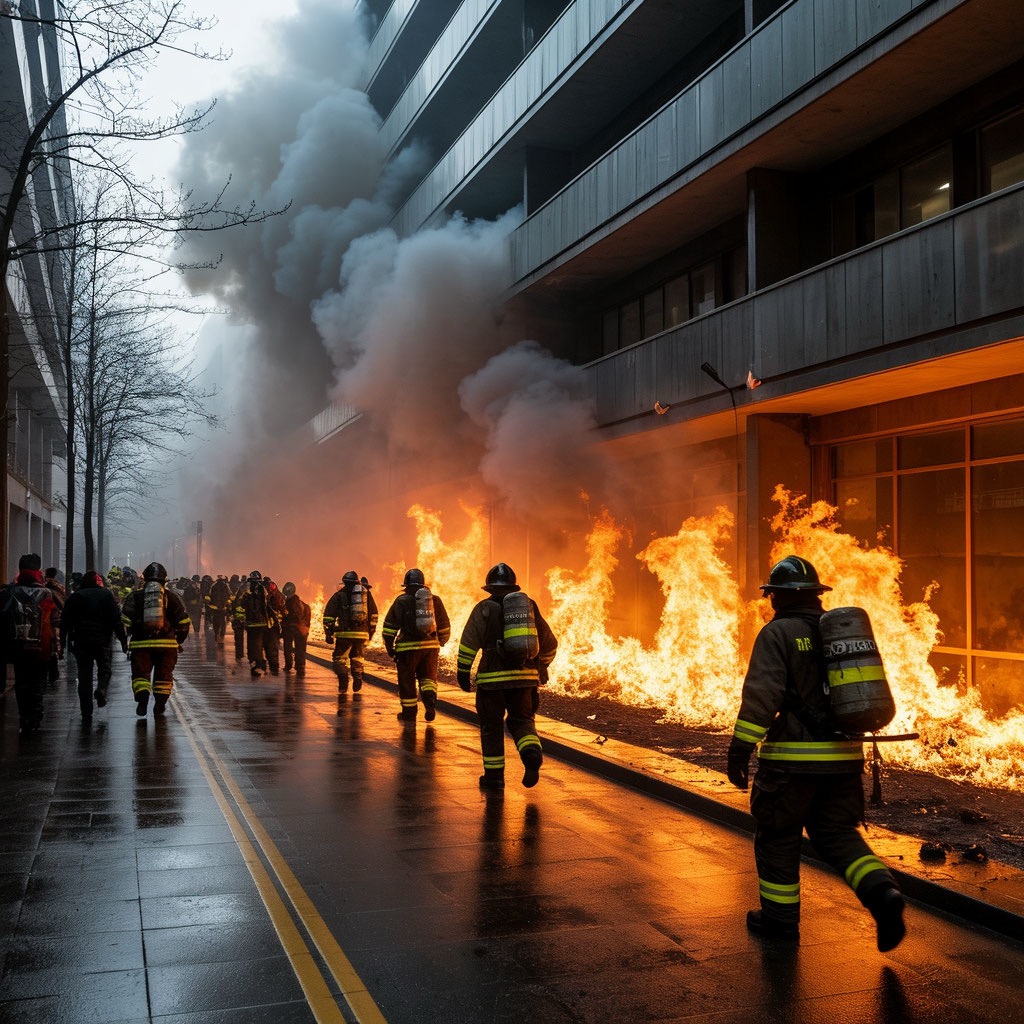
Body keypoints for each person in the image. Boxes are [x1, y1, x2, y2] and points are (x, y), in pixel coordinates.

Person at [726, 555, 906, 951]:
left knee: (778, 836)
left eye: (772, 593)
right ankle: (882, 893)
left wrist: (740, 749)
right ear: (815, 596)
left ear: (778, 597)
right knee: (837, 834)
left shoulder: (778, 634)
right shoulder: (838, 636)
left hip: (791, 764)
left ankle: (779, 921)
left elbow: (762, 695)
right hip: (844, 759)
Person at [456, 562, 557, 791]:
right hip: (524, 681)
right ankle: (531, 753)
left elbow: (469, 642)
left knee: (491, 726)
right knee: (522, 721)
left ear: (490, 588)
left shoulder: (484, 608)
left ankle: (494, 778)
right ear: (513, 586)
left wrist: (463, 671)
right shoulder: (529, 608)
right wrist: (541, 666)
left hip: (492, 683)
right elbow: (550, 643)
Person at [120, 562, 191, 717]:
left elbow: (124, 620)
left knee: (141, 675)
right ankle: (160, 704)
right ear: (164, 580)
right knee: (164, 676)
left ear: (144, 578)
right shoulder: (172, 597)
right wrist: (178, 640)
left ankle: (142, 699)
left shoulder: (135, 596)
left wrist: (125, 640)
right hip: (167, 645)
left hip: (140, 644)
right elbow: (184, 622)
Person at [1, 554, 61, 734]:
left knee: (21, 682)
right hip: (41, 646)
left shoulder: (9, 592)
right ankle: (35, 715)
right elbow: (57, 618)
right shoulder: (47, 594)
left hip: (18, 646)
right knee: (37, 682)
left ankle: (24, 718)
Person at [382, 568, 452, 723]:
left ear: (406, 584)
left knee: (407, 680)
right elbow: (444, 624)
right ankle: (430, 703)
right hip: (430, 648)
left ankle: (409, 713)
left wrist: (389, 645)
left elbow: (390, 626)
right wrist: (441, 641)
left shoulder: (401, 601)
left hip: (407, 649)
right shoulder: (435, 600)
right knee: (428, 678)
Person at [59, 570, 128, 722]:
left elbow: (65, 621)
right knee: (105, 669)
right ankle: (101, 689)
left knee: (84, 677)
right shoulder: (106, 595)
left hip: (81, 641)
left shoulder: (75, 596)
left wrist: (62, 643)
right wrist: (123, 641)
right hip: (102, 640)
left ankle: (86, 712)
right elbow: (116, 620)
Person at [322, 571, 378, 693]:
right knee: (357, 658)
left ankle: (343, 680)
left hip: (344, 634)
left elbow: (329, 616)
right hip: (362, 634)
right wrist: (370, 632)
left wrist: (328, 633)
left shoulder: (339, 595)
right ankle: (357, 676)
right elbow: (374, 614)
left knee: (339, 659)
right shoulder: (366, 595)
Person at [280, 582, 311, 676]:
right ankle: (300, 667)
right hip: (301, 630)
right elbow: (307, 618)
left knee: (288, 647)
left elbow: (286, 617)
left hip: (290, 629)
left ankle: (289, 665)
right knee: (300, 648)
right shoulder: (304, 605)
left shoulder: (286, 605)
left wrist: (283, 626)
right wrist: (305, 629)